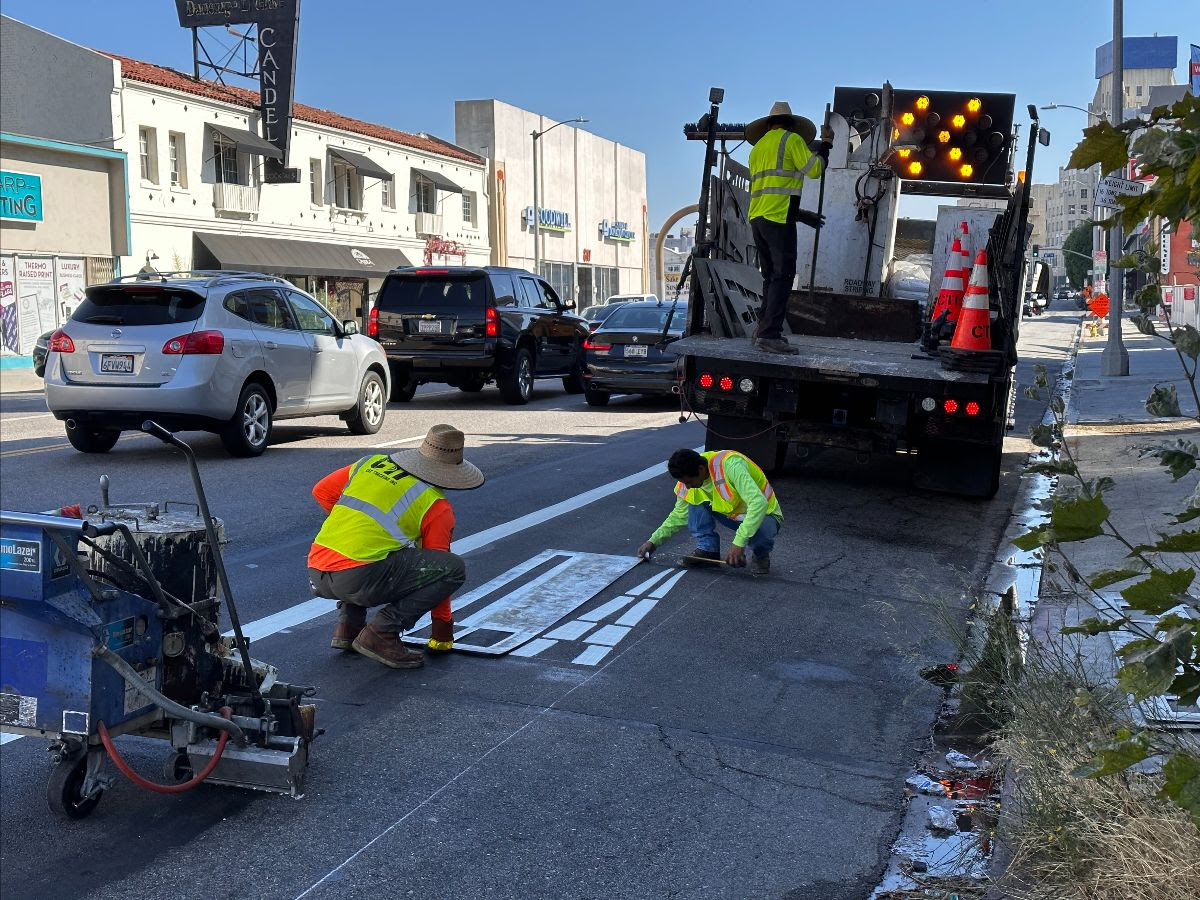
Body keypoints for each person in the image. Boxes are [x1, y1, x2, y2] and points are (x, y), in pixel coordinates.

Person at [307, 424, 484, 669]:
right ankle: (381, 633)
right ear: (452, 471)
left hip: (316, 570)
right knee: (453, 568)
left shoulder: (371, 463)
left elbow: (322, 491)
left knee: (379, 549)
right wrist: (442, 633)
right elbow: (439, 568)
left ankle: (349, 627)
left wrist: (357, 531)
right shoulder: (435, 505)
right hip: (357, 578)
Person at [745, 100, 833, 355]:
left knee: (771, 276)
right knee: (783, 277)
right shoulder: (791, 140)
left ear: (768, 124)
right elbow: (815, 170)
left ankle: (763, 328)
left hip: (758, 217)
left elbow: (773, 189)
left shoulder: (758, 149)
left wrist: (802, 215)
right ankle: (769, 334)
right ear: (791, 124)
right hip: (778, 218)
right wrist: (826, 145)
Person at [637, 448, 783, 576]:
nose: (687, 487)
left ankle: (761, 555)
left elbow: (759, 503)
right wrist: (653, 542)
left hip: (765, 515)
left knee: (761, 534)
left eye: (689, 482)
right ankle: (708, 549)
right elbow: (678, 515)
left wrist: (738, 543)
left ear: (701, 469)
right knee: (693, 501)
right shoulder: (687, 479)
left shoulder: (730, 465)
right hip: (732, 515)